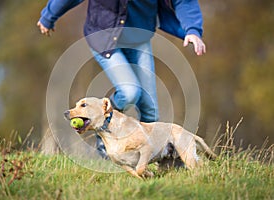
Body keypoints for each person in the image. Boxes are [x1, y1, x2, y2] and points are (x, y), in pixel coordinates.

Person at [38, 0, 206, 159]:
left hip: (139, 39)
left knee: (150, 108)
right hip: (104, 38)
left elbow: (183, 1)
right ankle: (104, 127)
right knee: (130, 92)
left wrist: (192, 29)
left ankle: (154, 159)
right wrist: (48, 16)